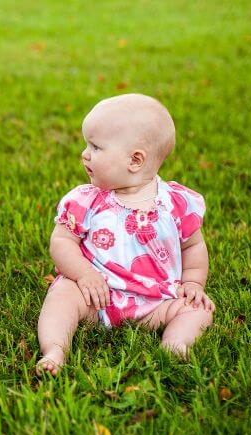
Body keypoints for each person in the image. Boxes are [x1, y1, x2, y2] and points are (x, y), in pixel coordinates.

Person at [37, 93, 214, 376]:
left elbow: (193, 246)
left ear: (135, 160)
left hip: (157, 301)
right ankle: (55, 348)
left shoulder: (176, 204)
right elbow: (61, 241)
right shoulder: (87, 200)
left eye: (95, 147)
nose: (84, 153)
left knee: (199, 309)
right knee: (62, 293)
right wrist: (84, 275)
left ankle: (175, 345)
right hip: (96, 297)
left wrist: (194, 283)